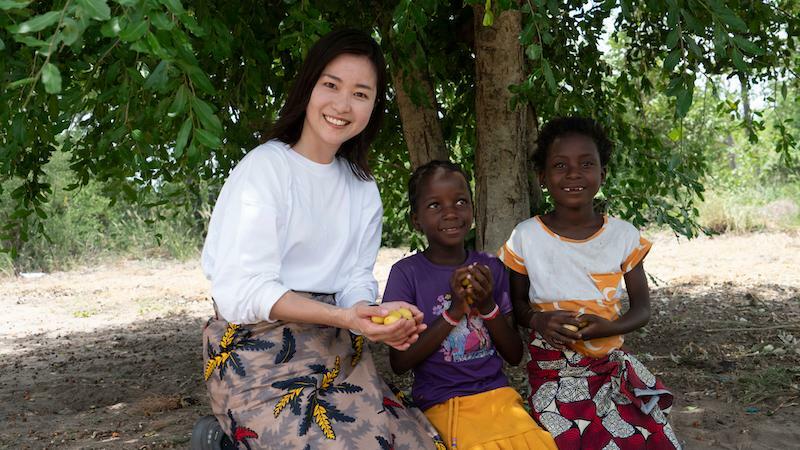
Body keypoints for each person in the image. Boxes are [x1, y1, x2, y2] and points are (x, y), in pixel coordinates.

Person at [193, 29, 443, 450]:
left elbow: (354, 280)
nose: (343, 105)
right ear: (308, 86)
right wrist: (345, 319)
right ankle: (226, 439)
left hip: (337, 351)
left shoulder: (362, 188)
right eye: (331, 85)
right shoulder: (265, 169)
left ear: (372, 106)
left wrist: (370, 312)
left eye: (361, 94)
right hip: (258, 350)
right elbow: (242, 292)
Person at [499, 117, 680, 449]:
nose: (573, 173)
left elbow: (642, 310)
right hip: (553, 373)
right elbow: (518, 307)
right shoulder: (526, 237)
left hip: (609, 366)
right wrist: (538, 319)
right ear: (542, 177)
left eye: (586, 164)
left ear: (602, 174)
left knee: (652, 440)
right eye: (559, 165)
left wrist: (604, 328)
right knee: (567, 439)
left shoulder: (623, 236)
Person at [382, 160, 557, 450]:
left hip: (499, 399)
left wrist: (487, 305)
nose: (451, 212)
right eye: (435, 205)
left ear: (473, 210)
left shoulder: (491, 269)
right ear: (416, 220)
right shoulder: (406, 274)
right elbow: (399, 363)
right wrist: (455, 312)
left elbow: (514, 355)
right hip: (442, 403)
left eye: (461, 201)